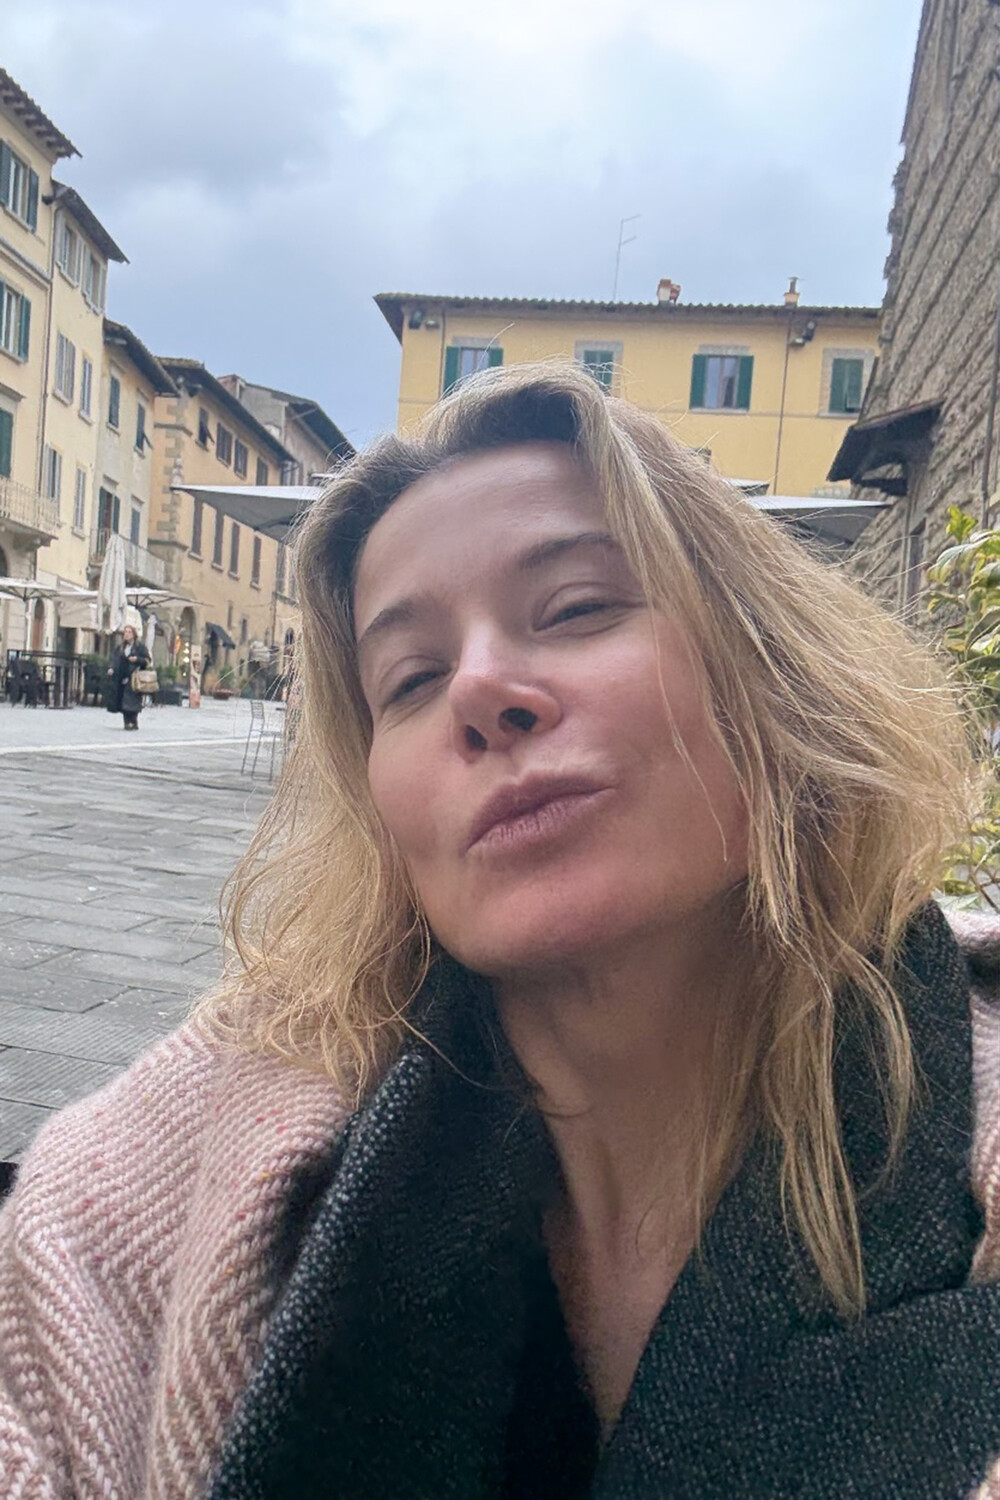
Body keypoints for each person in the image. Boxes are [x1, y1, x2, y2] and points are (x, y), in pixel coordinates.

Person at [1, 364, 998, 1499]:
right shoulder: (187, 1144)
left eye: (575, 608)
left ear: (771, 668)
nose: (479, 689)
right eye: (410, 678)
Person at [105, 622, 151, 730]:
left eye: (129, 632)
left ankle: (133, 721)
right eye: (125, 632)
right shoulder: (121, 647)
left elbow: (147, 660)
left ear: (134, 634)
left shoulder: (140, 647)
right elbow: (114, 659)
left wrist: (137, 659)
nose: (127, 634)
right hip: (122, 676)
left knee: (133, 700)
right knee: (123, 700)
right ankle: (127, 722)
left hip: (134, 677)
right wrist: (111, 668)